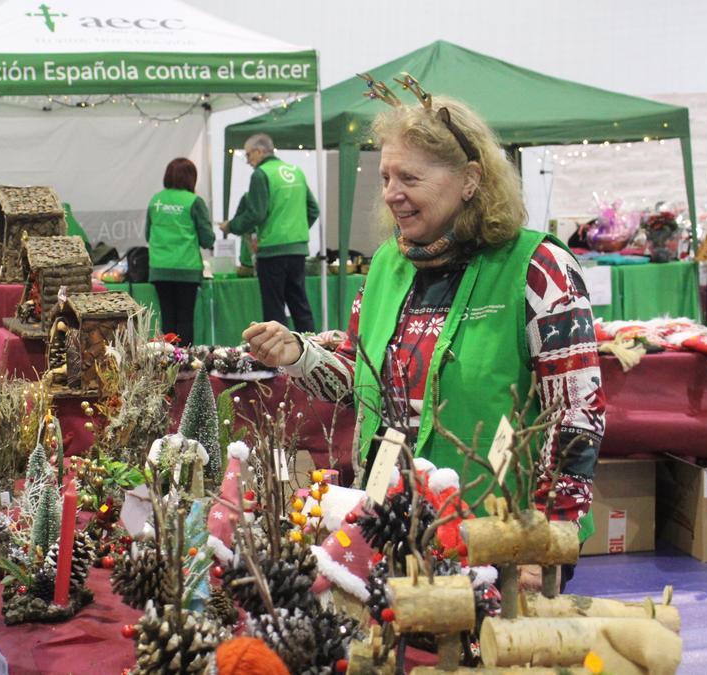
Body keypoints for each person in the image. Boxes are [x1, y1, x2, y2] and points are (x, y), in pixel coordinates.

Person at [243, 82, 605, 588]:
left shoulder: (540, 269)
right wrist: (299, 356)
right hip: (386, 527)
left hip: (495, 539)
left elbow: (576, 414)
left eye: (409, 177)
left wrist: (548, 537)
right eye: (386, 175)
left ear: (470, 180)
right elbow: (356, 380)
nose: (391, 193)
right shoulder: (387, 264)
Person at [220, 133, 319, 332]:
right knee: (300, 305)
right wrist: (295, 230)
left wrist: (231, 226)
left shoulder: (261, 174)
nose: (248, 161)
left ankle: (280, 359)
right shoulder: (296, 171)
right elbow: (313, 210)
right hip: (297, 250)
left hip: (272, 252)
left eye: (248, 155)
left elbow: (256, 213)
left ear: (259, 151)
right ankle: (312, 352)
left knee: (274, 310)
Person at [145, 157, 215, 346]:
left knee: (168, 318)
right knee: (185, 318)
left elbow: (147, 235)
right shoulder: (194, 201)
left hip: (160, 269)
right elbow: (207, 239)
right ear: (191, 178)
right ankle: (185, 364)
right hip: (187, 269)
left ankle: (168, 362)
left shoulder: (155, 200)